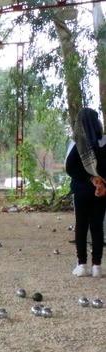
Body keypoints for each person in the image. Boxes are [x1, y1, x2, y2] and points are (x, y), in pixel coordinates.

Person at [65, 107, 106, 278]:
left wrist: (90, 179)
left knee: (81, 226)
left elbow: (70, 168)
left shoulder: (76, 143)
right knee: (97, 226)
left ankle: (82, 265)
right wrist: (101, 183)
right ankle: (97, 266)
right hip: (101, 191)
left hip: (82, 191)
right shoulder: (104, 142)